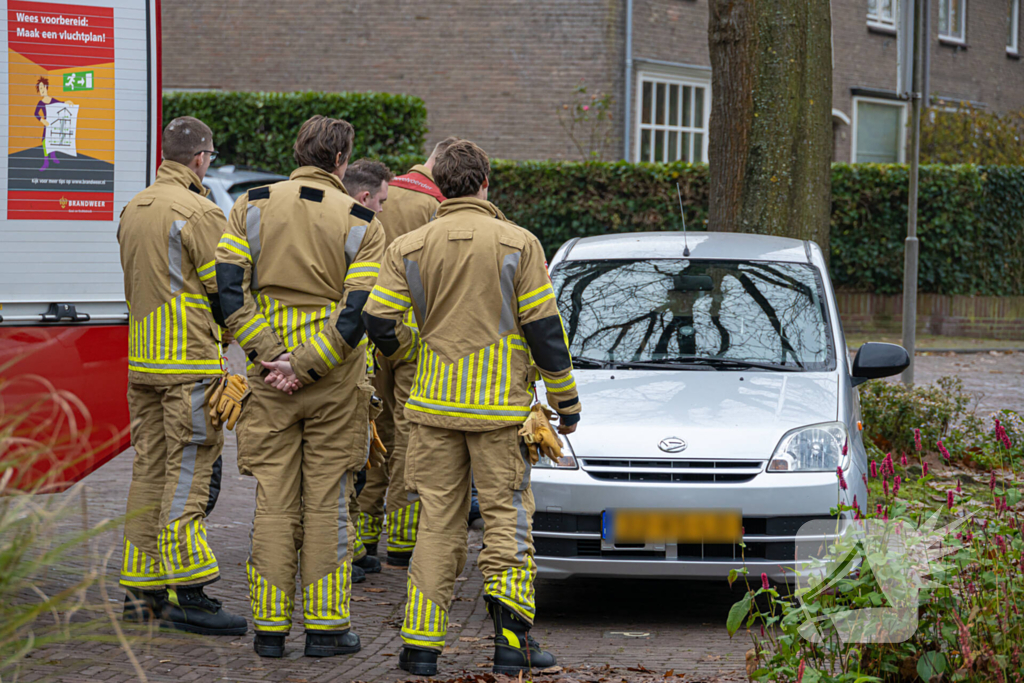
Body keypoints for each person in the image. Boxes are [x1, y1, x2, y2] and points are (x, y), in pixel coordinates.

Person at [363, 140, 582, 677]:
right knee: (507, 521)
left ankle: (419, 648)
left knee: (437, 524)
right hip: (499, 415)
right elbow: (544, 329)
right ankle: (513, 645)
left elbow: (376, 322)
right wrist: (565, 402)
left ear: (440, 186)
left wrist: (417, 351)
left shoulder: (409, 246)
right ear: (485, 183)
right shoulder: (518, 243)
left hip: (432, 409)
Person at [216, 115, 385, 659]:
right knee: (331, 504)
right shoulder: (362, 219)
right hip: (334, 382)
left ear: (298, 151)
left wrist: (271, 357)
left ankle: (269, 631)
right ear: (341, 161)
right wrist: (307, 364)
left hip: (268, 380)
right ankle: (327, 629)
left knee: (272, 504)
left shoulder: (251, 205)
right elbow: (360, 310)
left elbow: (227, 290)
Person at [117, 116, 247, 636]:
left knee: (148, 471)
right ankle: (189, 594)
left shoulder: (134, 208)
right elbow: (224, 290)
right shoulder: (199, 210)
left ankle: (142, 592)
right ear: (199, 159)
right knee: (188, 474)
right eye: (210, 157)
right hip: (188, 364)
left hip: (143, 362)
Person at [354, 137, 459, 567]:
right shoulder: (440, 205)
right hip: (416, 338)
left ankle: (364, 529)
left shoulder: (384, 192)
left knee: (372, 428)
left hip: (368, 329)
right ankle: (402, 535)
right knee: (411, 431)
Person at [34, 76, 73, 171]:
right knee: (44, 141)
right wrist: (42, 120)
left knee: (54, 139)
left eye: (42, 87)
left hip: (54, 124)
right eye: (40, 89)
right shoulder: (40, 102)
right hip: (46, 125)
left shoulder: (52, 100)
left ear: (46, 86)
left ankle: (53, 155)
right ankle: (46, 161)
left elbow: (60, 104)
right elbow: (35, 113)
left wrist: (66, 102)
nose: (41, 90)